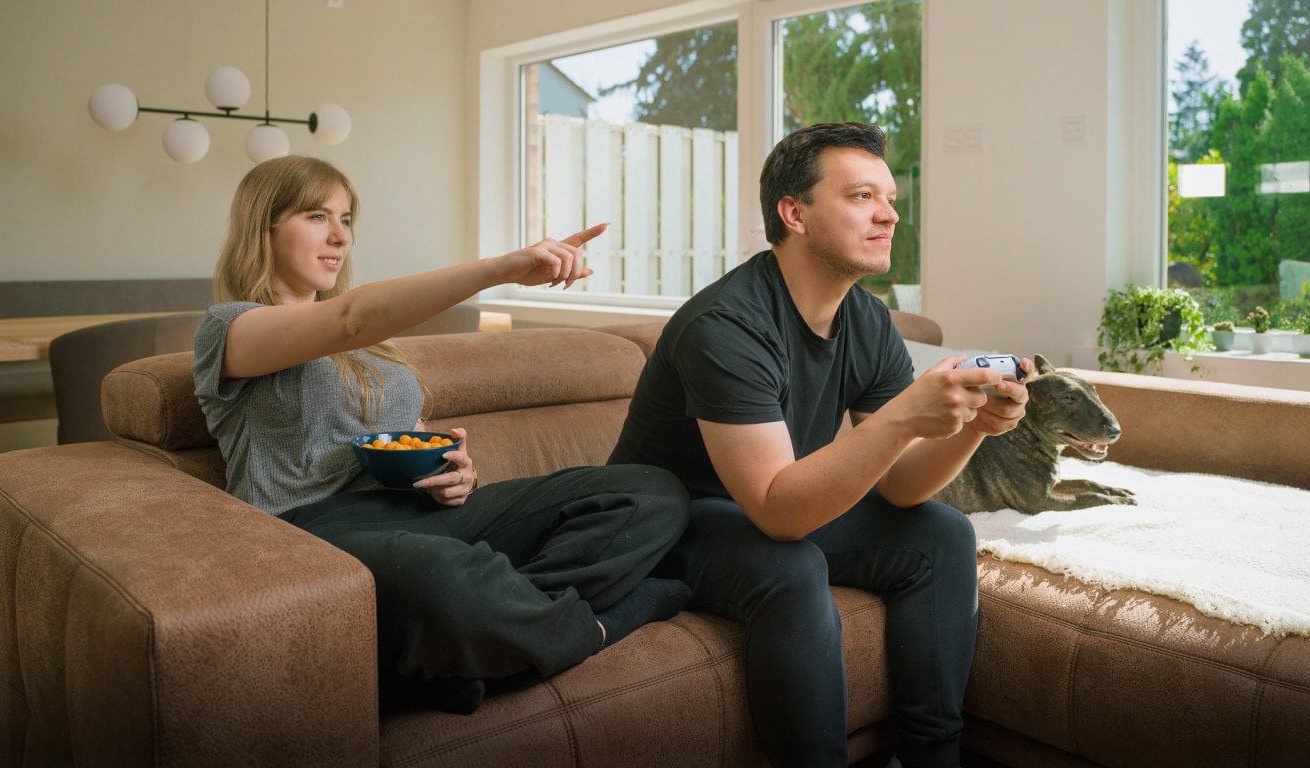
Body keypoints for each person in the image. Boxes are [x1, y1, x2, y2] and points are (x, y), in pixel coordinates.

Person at [192, 155, 691, 715]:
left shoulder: (372, 349)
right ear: (263, 227)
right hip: (306, 531)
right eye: (316, 217)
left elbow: (407, 438)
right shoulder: (231, 327)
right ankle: (596, 626)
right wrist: (500, 268)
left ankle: (472, 649)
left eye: (347, 219)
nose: (339, 237)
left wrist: (456, 472)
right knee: (448, 577)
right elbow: (348, 319)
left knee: (650, 492)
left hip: (413, 514)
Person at [608, 123, 1031, 767]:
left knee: (941, 534)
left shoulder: (865, 317)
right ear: (794, 213)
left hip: (760, 509)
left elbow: (902, 486)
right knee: (791, 566)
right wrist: (904, 416)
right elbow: (780, 514)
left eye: (890, 199)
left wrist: (974, 424)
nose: (889, 214)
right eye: (862, 196)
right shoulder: (725, 324)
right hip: (666, 522)